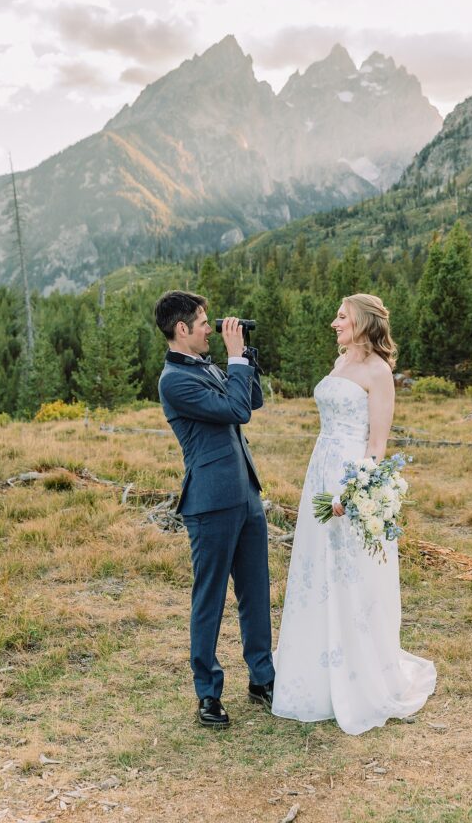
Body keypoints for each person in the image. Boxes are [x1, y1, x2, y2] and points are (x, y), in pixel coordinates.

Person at [271, 293, 436, 735]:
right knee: (315, 570)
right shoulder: (341, 361)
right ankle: (314, 665)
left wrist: (356, 491)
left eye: (341, 316)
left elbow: (377, 445)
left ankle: (356, 670)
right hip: (320, 469)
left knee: (349, 572)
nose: (333, 322)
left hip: (349, 479)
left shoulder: (378, 372)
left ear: (362, 321)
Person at [156, 291, 274, 729]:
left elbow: (252, 401)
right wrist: (235, 360)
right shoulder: (174, 380)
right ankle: (208, 693)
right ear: (182, 329)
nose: (210, 328)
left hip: (245, 495)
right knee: (209, 600)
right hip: (209, 503)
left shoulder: (205, 366)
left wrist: (246, 359)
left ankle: (262, 679)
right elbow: (236, 410)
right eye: (203, 322)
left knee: (255, 593)